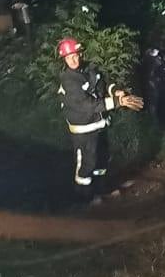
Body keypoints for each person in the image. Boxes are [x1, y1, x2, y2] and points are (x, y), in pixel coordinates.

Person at [57, 38, 143, 197]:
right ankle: (84, 196)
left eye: (75, 55)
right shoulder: (69, 81)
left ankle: (101, 190)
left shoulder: (89, 69)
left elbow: (104, 84)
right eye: (69, 58)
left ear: (80, 54)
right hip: (83, 130)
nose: (73, 60)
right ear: (64, 60)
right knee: (87, 163)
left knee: (102, 158)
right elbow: (88, 105)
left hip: (99, 124)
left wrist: (115, 91)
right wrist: (118, 102)